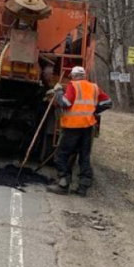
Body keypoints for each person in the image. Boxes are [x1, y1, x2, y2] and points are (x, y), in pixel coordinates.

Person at [48, 66, 112, 196]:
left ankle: (63, 184)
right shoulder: (94, 87)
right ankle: (83, 188)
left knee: (61, 155)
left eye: (71, 76)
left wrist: (59, 92)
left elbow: (65, 103)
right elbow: (108, 102)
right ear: (83, 75)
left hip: (73, 127)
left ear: (73, 76)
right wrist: (94, 111)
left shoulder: (73, 85)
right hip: (88, 127)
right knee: (84, 157)